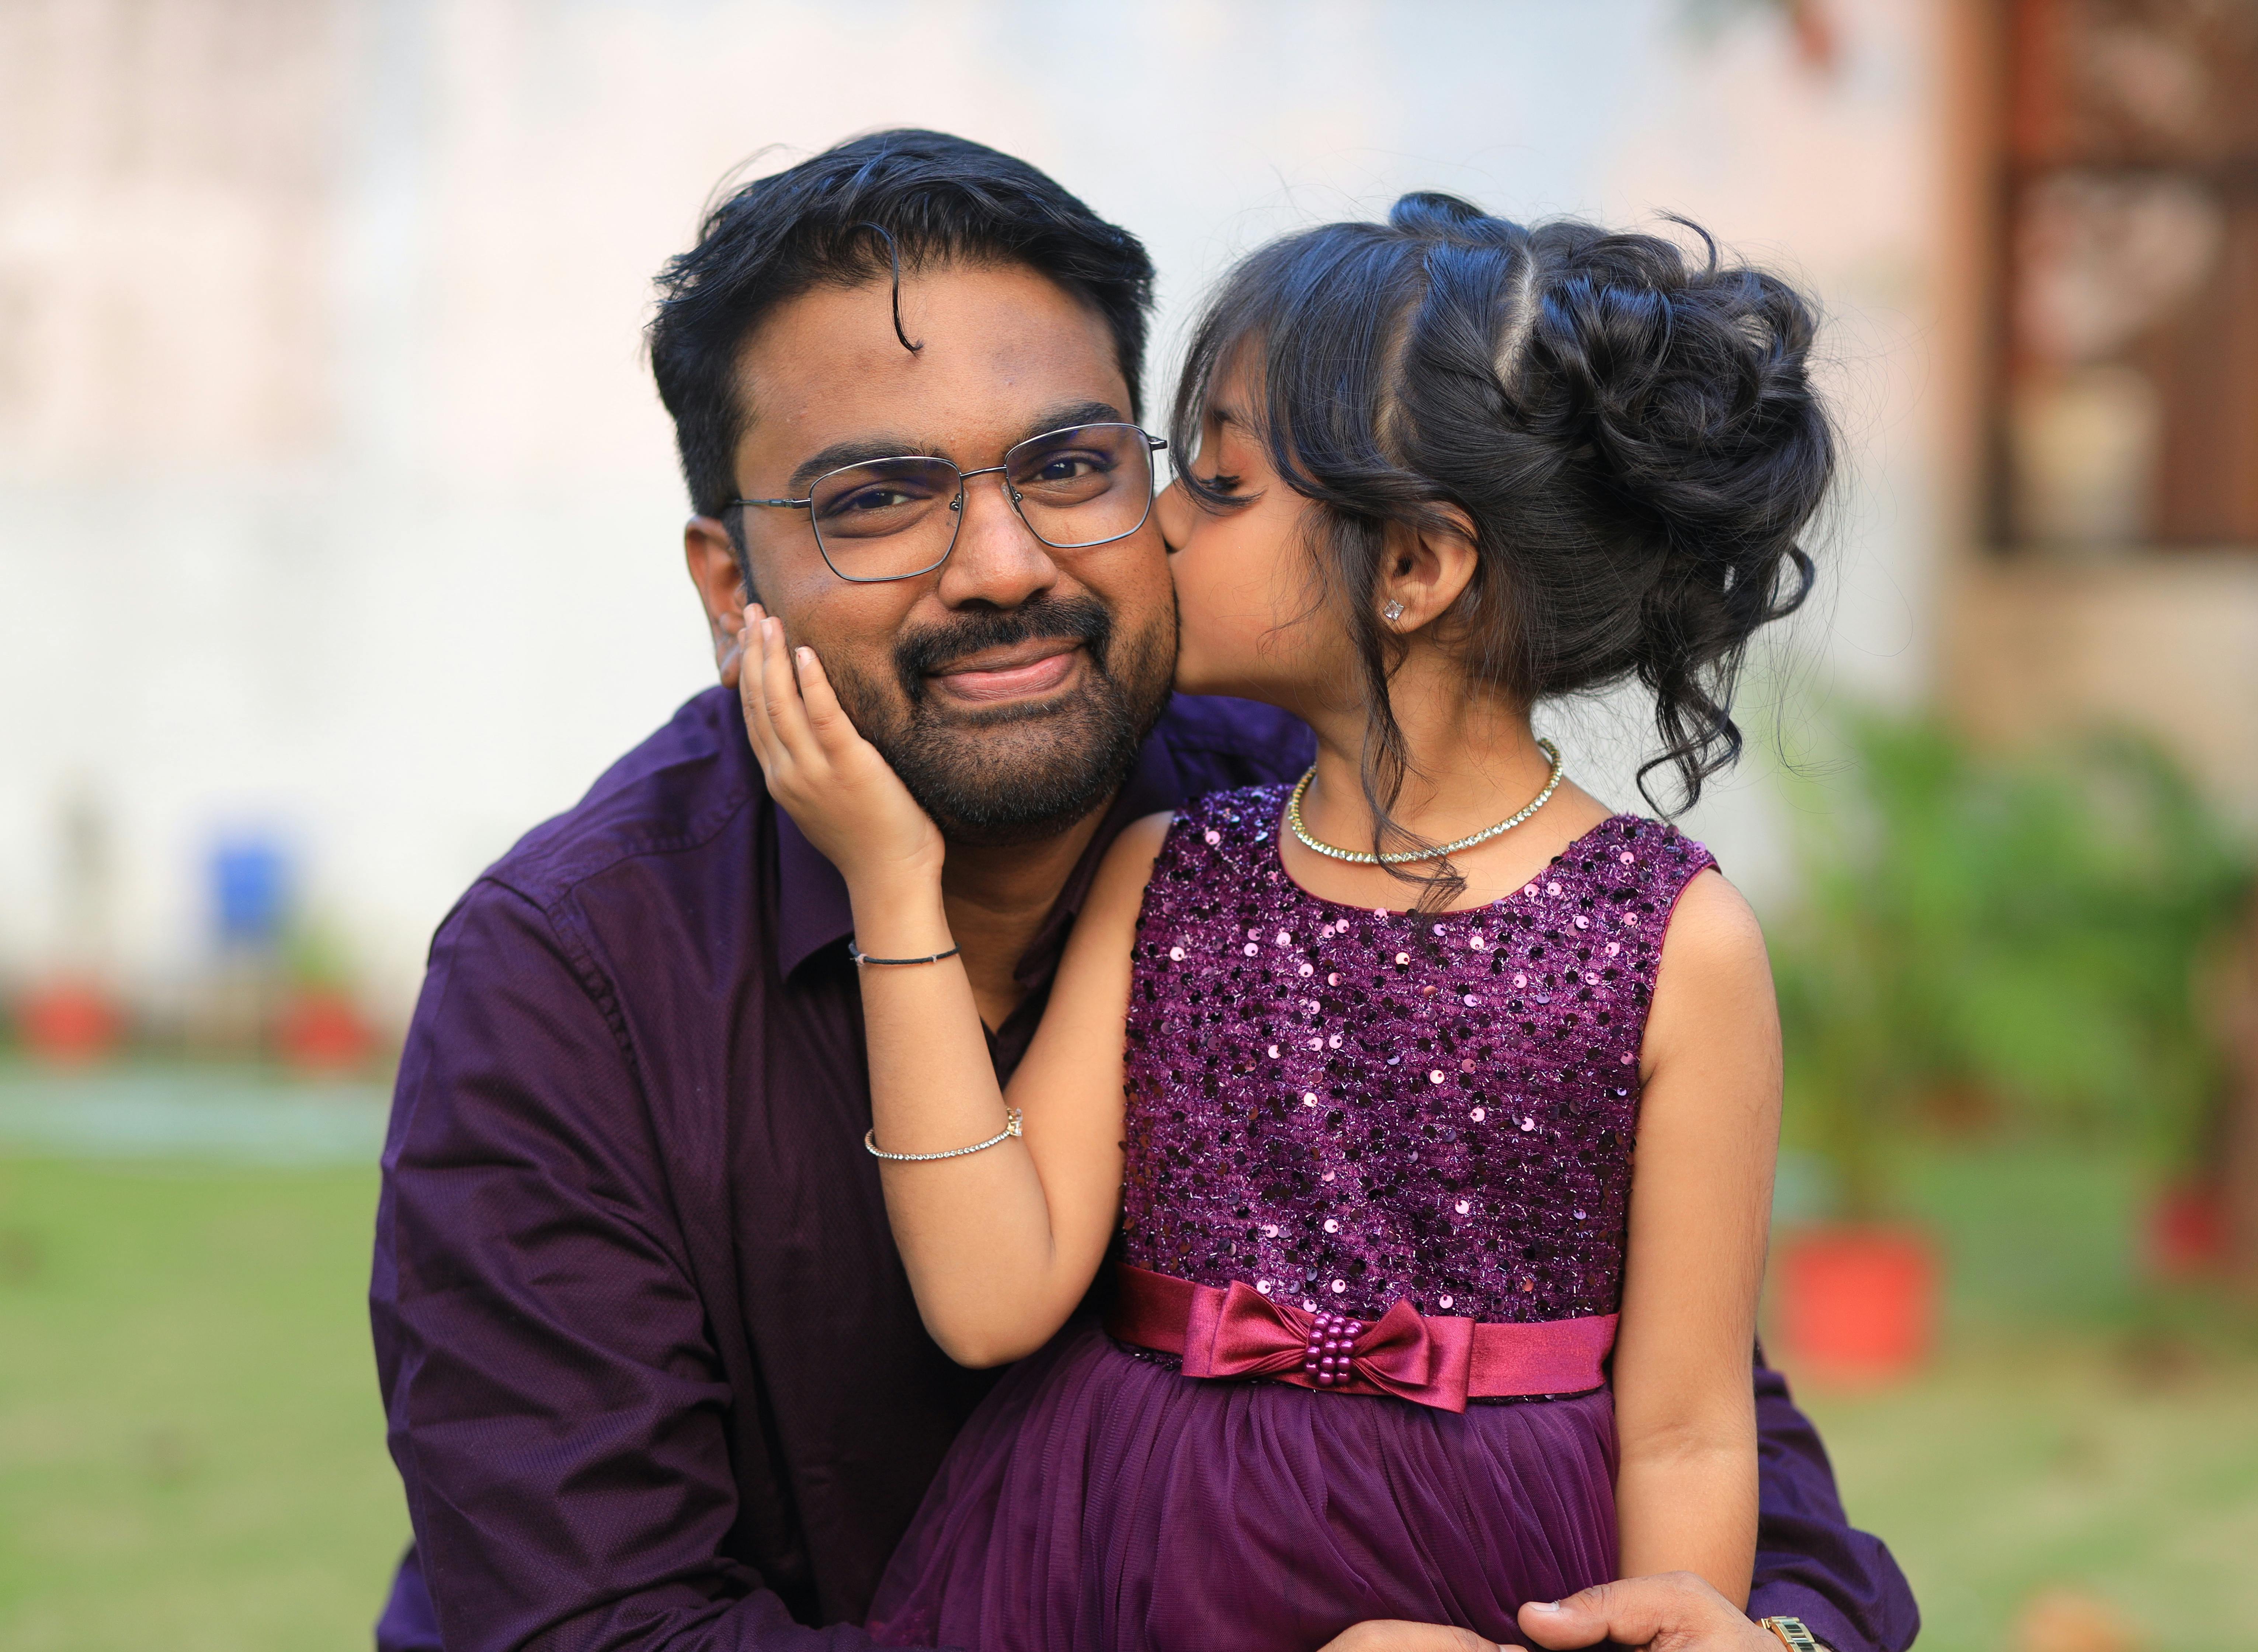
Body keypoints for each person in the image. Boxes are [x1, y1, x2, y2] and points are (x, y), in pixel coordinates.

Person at [370, 129, 1919, 1652]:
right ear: (733, 588)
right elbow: (598, 1627)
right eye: (879, 499)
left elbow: (1715, 1457)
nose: (1003, 564)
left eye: (1071, 467)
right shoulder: (566, 980)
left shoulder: (1349, 828)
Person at [740, 186, 1832, 1651]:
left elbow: (1691, 1430)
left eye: (1220, 484)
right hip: (1127, 1566)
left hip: (1497, 1585)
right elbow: (991, 1295)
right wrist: (889, 878)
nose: (1156, 522)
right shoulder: (1167, 876)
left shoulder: (1675, 943)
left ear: (1414, 568)